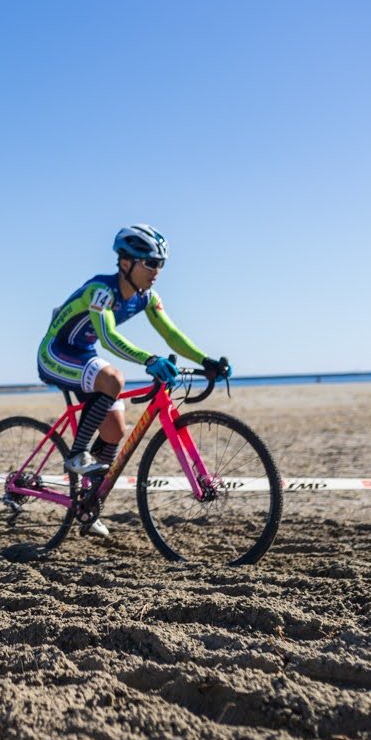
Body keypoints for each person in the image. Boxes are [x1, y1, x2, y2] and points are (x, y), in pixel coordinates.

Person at [36, 224, 230, 537]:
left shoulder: (147, 298)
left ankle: (89, 505)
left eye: (161, 264)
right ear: (126, 263)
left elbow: (171, 334)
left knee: (115, 429)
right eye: (150, 263)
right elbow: (109, 338)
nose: (157, 271)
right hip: (55, 353)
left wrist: (205, 361)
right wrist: (149, 360)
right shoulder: (100, 291)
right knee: (114, 378)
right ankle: (76, 455)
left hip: (83, 355)